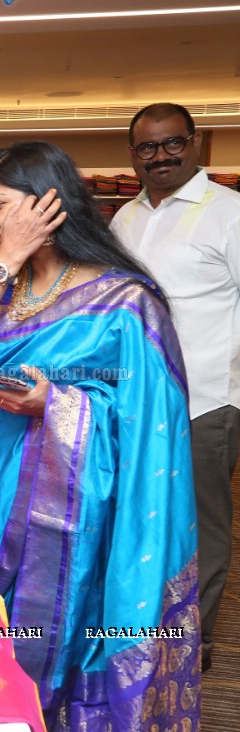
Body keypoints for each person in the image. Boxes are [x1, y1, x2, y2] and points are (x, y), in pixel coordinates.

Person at [0, 140, 200, 732]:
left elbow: (150, 418)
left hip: (93, 500)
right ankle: (18, 720)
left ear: (47, 202)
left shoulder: (125, 300)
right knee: (13, 608)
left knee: (78, 613)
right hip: (8, 479)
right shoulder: (7, 282)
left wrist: (55, 402)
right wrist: (9, 253)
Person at [110, 102, 240, 672]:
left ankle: (196, 638)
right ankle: (138, 623)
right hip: (136, 397)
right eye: (147, 147)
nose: (161, 155)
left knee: (200, 523)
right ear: (133, 154)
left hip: (206, 400)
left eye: (173, 143)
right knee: (141, 513)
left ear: (195, 144)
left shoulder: (229, 212)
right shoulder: (125, 218)